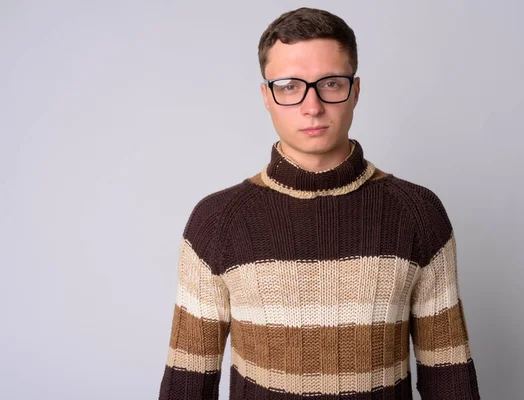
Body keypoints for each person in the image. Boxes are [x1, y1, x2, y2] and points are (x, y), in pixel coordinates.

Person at [158, 7, 480, 400]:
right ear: (266, 96)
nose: (312, 106)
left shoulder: (417, 213)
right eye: (290, 86)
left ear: (356, 90)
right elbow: (188, 382)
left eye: (330, 83)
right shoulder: (216, 221)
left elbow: (449, 377)